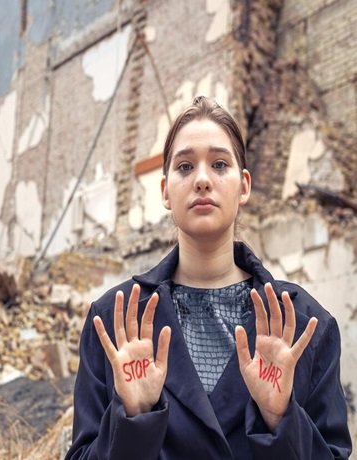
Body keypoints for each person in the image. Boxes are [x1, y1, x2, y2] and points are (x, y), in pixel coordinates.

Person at [66, 96, 352, 459]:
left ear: (244, 185)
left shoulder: (306, 326)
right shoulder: (113, 323)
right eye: (185, 167)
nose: (202, 179)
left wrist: (280, 420)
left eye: (219, 164)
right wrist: (132, 417)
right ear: (165, 190)